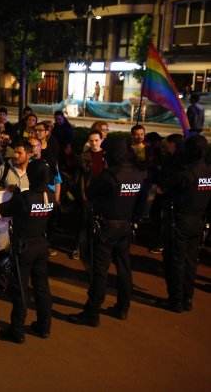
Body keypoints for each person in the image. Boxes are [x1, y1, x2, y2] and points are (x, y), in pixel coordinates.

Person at [68, 138, 146, 326]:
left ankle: (92, 313)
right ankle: (123, 307)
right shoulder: (139, 174)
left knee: (99, 271)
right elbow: (141, 204)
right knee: (124, 268)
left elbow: (90, 194)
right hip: (126, 226)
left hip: (105, 227)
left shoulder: (109, 175)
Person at [0, 159, 54, 343]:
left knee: (20, 289)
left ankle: (17, 330)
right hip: (41, 244)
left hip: (24, 248)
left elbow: (4, 210)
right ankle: (44, 326)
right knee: (42, 287)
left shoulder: (24, 198)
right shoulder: (50, 195)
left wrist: (15, 195)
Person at [157, 134, 211, 312]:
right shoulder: (208, 172)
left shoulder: (186, 174)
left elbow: (161, 189)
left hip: (180, 220)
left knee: (176, 261)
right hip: (198, 221)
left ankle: (176, 301)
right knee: (190, 261)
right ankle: (187, 299)